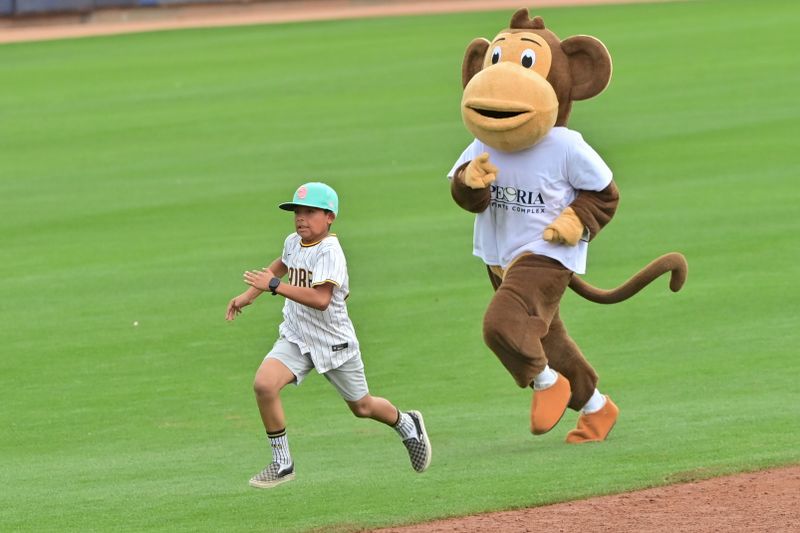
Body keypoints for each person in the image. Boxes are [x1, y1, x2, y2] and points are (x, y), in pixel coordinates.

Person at [226, 182, 431, 488]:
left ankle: (406, 422)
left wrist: (274, 287)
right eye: (297, 211)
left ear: (329, 216)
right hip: (296, 336)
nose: (300, 218)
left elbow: (321, 299)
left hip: (333, 340)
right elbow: (280, 266)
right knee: (264, 385)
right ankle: (283, 463)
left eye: (310, 212)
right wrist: (248, 295)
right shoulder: (293, 242)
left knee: (362, 407)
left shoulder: (330, 252)